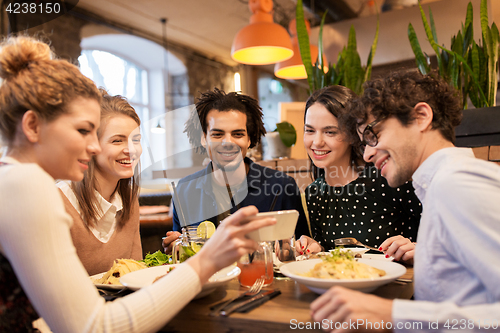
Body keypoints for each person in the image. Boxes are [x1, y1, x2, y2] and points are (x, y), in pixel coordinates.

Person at [0, 36, 275, 333]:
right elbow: (93, 327)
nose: (94, 147)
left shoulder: (15, 180)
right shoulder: (26, 186)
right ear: (32, 126)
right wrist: (205, 261)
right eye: (83, 131)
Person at [311, 71, 500, 331]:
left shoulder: (457, 184)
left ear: (421, 117)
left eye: (373, 134)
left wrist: (390, 313)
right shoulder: (439, 187)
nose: (366, 154)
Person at [162, 88, 308, 254]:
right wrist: (174, 247)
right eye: (217, 134)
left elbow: (303, 248)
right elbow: (181, 252)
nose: (228, 142)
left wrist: (299, 248)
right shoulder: (184, 191)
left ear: (249, 139)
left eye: (237, 134)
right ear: (204, 138)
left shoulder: (282, 186)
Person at [296, 85, 421, 259]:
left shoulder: (388, 176)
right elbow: (333, 257)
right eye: (309, 130)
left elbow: (440, 241)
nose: (316, 142)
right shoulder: (314, 193)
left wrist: (417, 248)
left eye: (330, 132)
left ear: (353, 134)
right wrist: (316, 248)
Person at [57, 90, 143, 276]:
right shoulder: (58, 203)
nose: (131, 150)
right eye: (117, 140)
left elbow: (137, 276)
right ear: (92, 146)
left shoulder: (130, 201)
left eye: (136, 140)